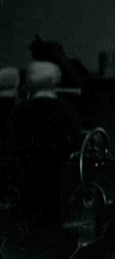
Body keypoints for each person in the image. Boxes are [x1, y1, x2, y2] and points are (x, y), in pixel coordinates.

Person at [7, 61, 81, 227]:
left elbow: (10, 148)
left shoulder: (19, 112)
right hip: (59, 187)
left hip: (26, 183)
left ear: (29, 82)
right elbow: (75, 148)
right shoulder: (68, 111)